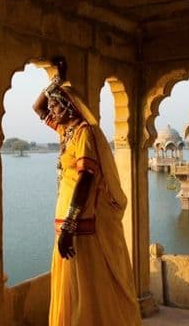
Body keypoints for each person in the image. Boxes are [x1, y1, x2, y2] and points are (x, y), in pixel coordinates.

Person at [33, 56, 141, 326]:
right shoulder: (65, 131)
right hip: (66, 223)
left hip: (81, 223)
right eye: (54, 106)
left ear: (70, 107)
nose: (53, 110)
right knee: (72, 287)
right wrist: (57, 80)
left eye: (58, 105)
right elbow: (37, 107)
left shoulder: (84, 134)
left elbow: (86, 178)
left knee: (87, 288)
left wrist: (69, 226)